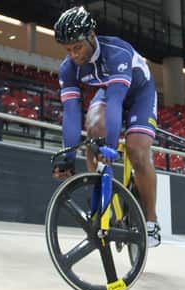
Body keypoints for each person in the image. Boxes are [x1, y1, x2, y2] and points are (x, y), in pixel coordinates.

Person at [51, 6, 161, 247]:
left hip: (139, 94)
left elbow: (116, 102)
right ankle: (102, 205)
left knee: (136, 150)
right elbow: (71, 113)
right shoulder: (68, 68)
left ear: (91, 36)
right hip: (110, 91)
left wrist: (110, 148)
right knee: (93, 130)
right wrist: (68, 156)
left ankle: (151, 222)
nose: (73, 55)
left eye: (77, 47)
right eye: (67, 49)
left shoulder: (116, 52)